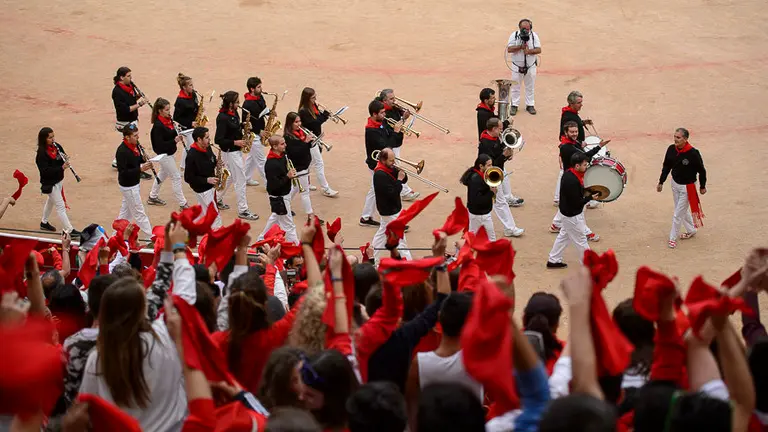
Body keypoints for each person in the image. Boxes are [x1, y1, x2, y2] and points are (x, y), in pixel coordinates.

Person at [550, 121, 609, 234]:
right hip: (573, 178)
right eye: (572, 132)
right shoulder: (567, 148)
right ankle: (585, 232)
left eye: (576, 131)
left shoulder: (571, 143)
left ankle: (556, 224)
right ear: (566, 132)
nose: (575, 134)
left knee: (568, 202)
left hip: (571, 176)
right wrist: (599, 146)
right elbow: (585, 156)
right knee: (579, 206)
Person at [546, 152, 599, 268]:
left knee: (564, 236)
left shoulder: (569, 173)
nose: (586, 167)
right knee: (581, 240)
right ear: (577, 166)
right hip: (572, 215)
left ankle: (553, 260)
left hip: (567, 213)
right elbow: (576, 202)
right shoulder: (573, 181)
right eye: (585, 165)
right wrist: (590, 198)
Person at [657, 127, 707, 249]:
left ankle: (672, 238)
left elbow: (702, 171)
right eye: (674, 136)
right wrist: (661, 182)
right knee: (680, 210)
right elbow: (666, 167)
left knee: (677, 214)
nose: (675, 139)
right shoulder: (671, 149)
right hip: (675, 184)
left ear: (685, 139)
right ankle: (691, 230)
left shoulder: (693, 154)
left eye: (678, 137)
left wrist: (702, 186)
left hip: (687, 188)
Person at [215, 90, 259, 220]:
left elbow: (233, 127)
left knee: (229, 177)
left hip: (235, 152)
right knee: (240, 180)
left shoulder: (233, 113)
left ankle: (216, 199)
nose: (239, 104)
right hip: (230, 152)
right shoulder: (222, 118)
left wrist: (243, 125)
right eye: (237, 102)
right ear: (230, 104)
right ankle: (243, 210)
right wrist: (236, 142)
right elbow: (218, 139)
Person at [478, 118, 524, 237]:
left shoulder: (493, 137)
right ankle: (510, 228)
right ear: (493, 129)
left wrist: (506, 152)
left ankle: (509, 227)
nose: (501, 131)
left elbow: (498, 152)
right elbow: (492, 164)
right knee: (499, 202)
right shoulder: (486, 144)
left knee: (500, 201)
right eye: (500, 128)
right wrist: (504, 156)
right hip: (491, 173)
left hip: (497, 171)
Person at [360, 99, 401, 228]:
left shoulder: (380, 123)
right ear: (374, 114)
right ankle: (367, 217)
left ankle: (366, 217)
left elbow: (390, 138)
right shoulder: (371, 131)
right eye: (382, 113)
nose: (384, 115)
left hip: (380, 162)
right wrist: (395, 132)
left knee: (373, 190)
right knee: (375, 190)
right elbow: (386, 147)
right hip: (376, 164)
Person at [371, 148, 412, 262]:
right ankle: (408, 262)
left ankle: (372, 257)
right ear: (383, 160)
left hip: (391, 209)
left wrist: (402, 174)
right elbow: (393, 192)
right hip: (390, 211)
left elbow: (403, 180)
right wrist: (399, 179)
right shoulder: (380, 174)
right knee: (401, 239)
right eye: (391, 160)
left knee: (381, 235)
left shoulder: (388, 168)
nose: (393, 163)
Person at [147, 98, 189, 209]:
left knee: (162, 174)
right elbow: (159, 146)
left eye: (169, 109)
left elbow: (170, 133)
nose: (169, 112)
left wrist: (177, 129)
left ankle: (152, 196)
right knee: (176, 177)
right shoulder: (158, 126)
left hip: (169, 153)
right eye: (166, 110)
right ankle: (183, 203)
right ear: (160, 111)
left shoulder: (167, 121)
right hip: (164, 155)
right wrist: (174, 140)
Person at [379, 89, 420, 201]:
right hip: (391, 143)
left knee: (396, 165)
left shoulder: (392, 108)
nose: (394, 100)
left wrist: (402, 113)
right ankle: (405, 192)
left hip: (396, 141)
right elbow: (394, 127)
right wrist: (403, 118)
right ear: (384, 100)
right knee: (397, 165)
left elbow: (398, 123)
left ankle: (403, 190)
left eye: (394, 98)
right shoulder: (384, 113)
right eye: (391, 99)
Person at [36, 127, 78, 235]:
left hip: (59, 180)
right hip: (50, 183)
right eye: (50, 138)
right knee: (60, 206)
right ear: (44, 139)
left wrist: (65, 159)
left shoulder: (56, 146)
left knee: (50, 202)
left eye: (53, 136)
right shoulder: (41, 154)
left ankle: (44, 222)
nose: (53, 139)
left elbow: (61, 157)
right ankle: (69, 230)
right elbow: (45, 171)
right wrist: (61, 168)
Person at [298, 87, 339, 197]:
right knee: (319, 163)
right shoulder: (303, 111)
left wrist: (325, 115)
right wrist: (325, 115)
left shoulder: (313, 106)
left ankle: (305, 182)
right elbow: (315, 123)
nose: (315, 99)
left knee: (310, 162)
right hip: (310, 139)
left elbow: (319, 118)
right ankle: (326, 188)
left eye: (315, 97)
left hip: (317, 137)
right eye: (313, 98)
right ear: (307, 99)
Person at [111, 66, 151, 179]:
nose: (130, 78)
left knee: (130, 142)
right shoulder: (117, 92)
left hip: (132, 119)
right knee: (133, 143)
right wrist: (140, 104)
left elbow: (131, 99)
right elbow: (126, 109)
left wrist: (137, 96)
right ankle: (138, 169)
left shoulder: (129, 86)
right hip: (125, 122)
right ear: (121, 77)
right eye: (128, 76)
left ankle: (116, 161)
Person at [115, 123, 154, 237]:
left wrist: (143, 159)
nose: (138, 138)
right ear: (127, 137)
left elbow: (136, 161)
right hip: (129, 186)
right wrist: (140, 168)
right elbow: (123, 172)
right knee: (139, 213)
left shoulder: (134, 146)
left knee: (124, 214)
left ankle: (115, 236)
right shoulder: (122, 151)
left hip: (133, 184)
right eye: (135, 136)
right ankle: (150, 237)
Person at [258, 135, 298, 244]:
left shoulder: (282, 155)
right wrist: (288, 176)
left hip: (284, 194)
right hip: (280, 197)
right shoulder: (271, 164)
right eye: (282, 144)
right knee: (289, 225)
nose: (285, 145)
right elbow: (274, 185)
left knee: (275, 218)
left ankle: (261, 239)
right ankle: (296, 246)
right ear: (274, 146)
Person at [284, 112, 321, 222]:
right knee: (304, 192)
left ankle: (284, 205)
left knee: (295, 188)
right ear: (290, 123)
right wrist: (305, 142)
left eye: (299, 121)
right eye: (296, 122)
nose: (299, 124)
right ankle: (310, 215)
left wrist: (312, 142)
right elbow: (296, 152)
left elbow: (305, 147)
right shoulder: (288, 137)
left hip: (304, 163)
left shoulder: (300, 132)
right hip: (298, 166)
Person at [183, 127, 223, 229]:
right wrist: (206, 180)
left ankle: (190, 231)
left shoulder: (207, 147)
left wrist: (216, 163)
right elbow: (188, 178)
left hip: (210, 186)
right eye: (206, 137)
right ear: (199, 140)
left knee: (204, 212)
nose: (209, 140)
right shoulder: (192, 155)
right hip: (203, 189)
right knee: (214, 215)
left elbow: (212, 159)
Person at [506, 19, 541, 115]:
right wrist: (520, 47)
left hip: (530, 66)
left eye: (528, 29)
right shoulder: (514, 35)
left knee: (530, 86)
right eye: (523, 29)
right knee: (515, 86)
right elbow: (509, 49)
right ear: (519, 28)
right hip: (517, 66)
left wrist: (529, 51)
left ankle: (530, 105)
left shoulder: (534, 36)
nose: (526, 31)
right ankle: (514, 105)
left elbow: (539, 49)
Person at [460, 154, 498, 240]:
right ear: (481, 166)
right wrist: (491, 193)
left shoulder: (478, 175)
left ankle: (459, 252)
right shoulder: (476, 180)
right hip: (480, 215)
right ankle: (459, 252)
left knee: (470, 238)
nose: (491, 167)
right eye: (489, 165)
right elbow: (478, 200)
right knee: (491, 239)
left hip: (477, 213)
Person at [243, 76, 268, 186]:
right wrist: (259, 131)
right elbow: (245, 123)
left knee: (252, 158)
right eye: (258, 87)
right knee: (261, 160)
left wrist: (269, 113)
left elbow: (264, 109)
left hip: (260, 131)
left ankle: (246, 177)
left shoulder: (260, 97)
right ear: (252, 89)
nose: (261, 88)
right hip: (252, 134)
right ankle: (269, 184)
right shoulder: (247, 104)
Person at [173, 73, 199, 171]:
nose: (192, 87)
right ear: (184, 87)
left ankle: (183, 167)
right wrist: (190, 123)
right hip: (185, 127)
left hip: (194, 124)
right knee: (192, 145)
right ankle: (191, 167)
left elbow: (195, 106)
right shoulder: (180, 100)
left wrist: (199, 109)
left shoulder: (193, 94)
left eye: (192, 85)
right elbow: (176, 117)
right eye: (190, 85)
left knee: (188, 145)